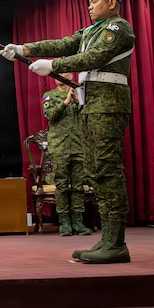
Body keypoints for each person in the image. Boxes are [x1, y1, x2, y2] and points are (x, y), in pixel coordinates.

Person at [0, 0, 134, 264]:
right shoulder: (89, 32)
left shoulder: (117, 28)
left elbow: (94, 57)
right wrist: (24, 48)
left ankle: (116, 242)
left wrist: (53, 66)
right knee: (96, 172)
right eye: (89, 1)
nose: (89, 5)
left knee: (108, 171)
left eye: (96, 0)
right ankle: (109, 240)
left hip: (108, 106)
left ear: (112, 3)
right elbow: (62, 44)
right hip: (92, 106)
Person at [41, 72, 91, 237]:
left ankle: (78, 221)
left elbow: (90, 116)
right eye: (58, 74)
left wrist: (78, 101)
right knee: (61, 186)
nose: (62, 76)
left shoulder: (81, 92)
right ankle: (64, 222)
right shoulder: (49, 96)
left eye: (65, 73)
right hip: (60, 147)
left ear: (71, 75)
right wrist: (66, 102)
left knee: (78, 186)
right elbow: (50, 116)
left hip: (79, 145)